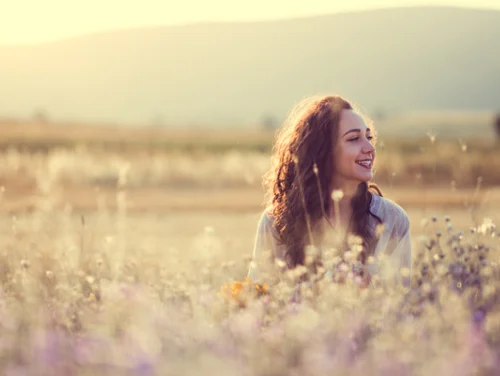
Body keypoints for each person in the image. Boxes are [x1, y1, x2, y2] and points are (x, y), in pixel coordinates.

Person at [247, 95, 412, 287]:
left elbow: (401, 303)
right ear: (322, 151)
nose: (369, 148)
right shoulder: (276, 222)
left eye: (369, 137)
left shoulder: (392, 220)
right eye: (353, 139)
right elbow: (257, 298)